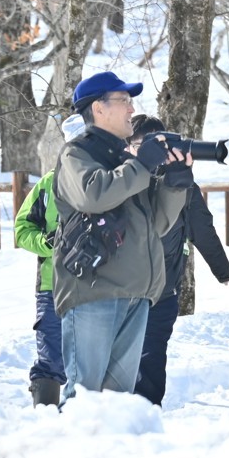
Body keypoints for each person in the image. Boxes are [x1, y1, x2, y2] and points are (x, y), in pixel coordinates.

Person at [52, 72, 191, 402]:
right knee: (84, 395)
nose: (132, 109)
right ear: (98, 108)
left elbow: (155, 225)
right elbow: (94, 195)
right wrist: (141, 166)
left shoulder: (126, 161)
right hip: (94, 291)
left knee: (119, 401)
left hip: (136, 293)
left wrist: (175, 183)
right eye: (124, 101)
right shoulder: (76, 155)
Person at [126, 114, 229, 406]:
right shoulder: (120, 180)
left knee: (150, 358)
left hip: (162, 291)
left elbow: (203, 229)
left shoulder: (181, 182)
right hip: (122, 292)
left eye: (157, 144)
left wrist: (222, 271)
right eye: (140, 145)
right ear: (128, 147)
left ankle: (146, 414)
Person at [14, 167, 66, 407]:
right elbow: (23, 228)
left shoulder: (110, 177)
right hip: (51, 285)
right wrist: (45, 243)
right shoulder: (49, 183)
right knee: (51, 358)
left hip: (100, 288)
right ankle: (45, 415)